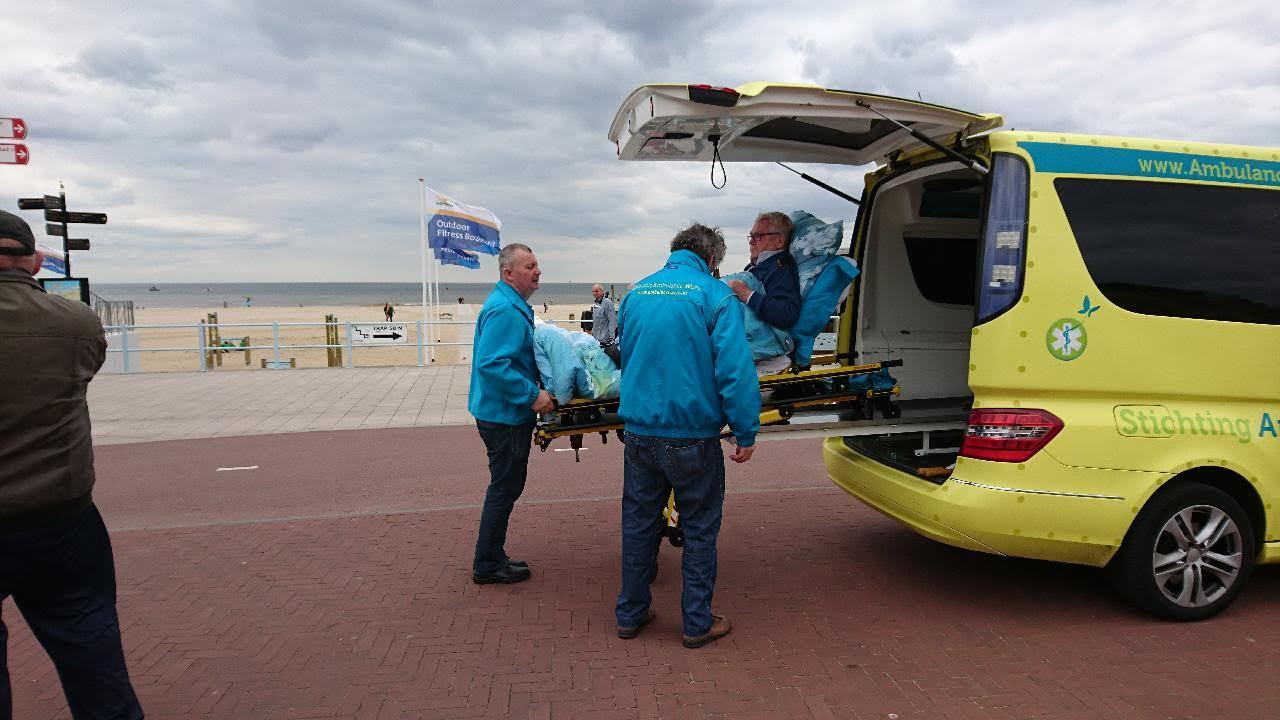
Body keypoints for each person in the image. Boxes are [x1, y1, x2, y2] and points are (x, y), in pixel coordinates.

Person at [0, 211, 144, 719]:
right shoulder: (77, 324)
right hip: (58, 516)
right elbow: (87, 367)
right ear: (36, 262)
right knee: (88, 641)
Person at [614, 223, 760, 649]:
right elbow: (734, 371)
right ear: (711, 260)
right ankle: (696, 622)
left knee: (639, 524)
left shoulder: (637, 293)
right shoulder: (716, 296)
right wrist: (745, 429)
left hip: (639, 430)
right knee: (699, 528)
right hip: (691, 433)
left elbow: (626, 353)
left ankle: (630, 613)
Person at [468, 243, 555, 585]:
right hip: (503, 416)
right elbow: (492, 365)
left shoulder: (510, 304)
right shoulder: (505, 310)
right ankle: (488, 563)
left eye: (537, 265)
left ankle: (492, 555)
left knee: (506, 486)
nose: (537, 271)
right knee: (504, 488)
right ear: (508, 273)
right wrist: (533, 396)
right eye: (529, 266)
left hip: (501, 412)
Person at [726, 211, 801, 375]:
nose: (751, 241)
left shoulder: (781, 269)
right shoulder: (758, 268)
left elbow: (787, 313)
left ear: (779, 240)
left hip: (765, 359)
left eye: (758, 236)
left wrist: (748, 295)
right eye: (751, 236)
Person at [589, 284, 621, 366]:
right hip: (597, 339)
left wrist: (612, 337)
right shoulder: (595, 303)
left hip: (606, 339)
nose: (594, 293)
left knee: (614, 356)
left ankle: (622, 368)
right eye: (593, 291)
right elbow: (596, 321)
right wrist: (592, 333)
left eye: (596, 291)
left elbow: (612, 320)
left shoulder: (607, 302)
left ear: (602, 291)